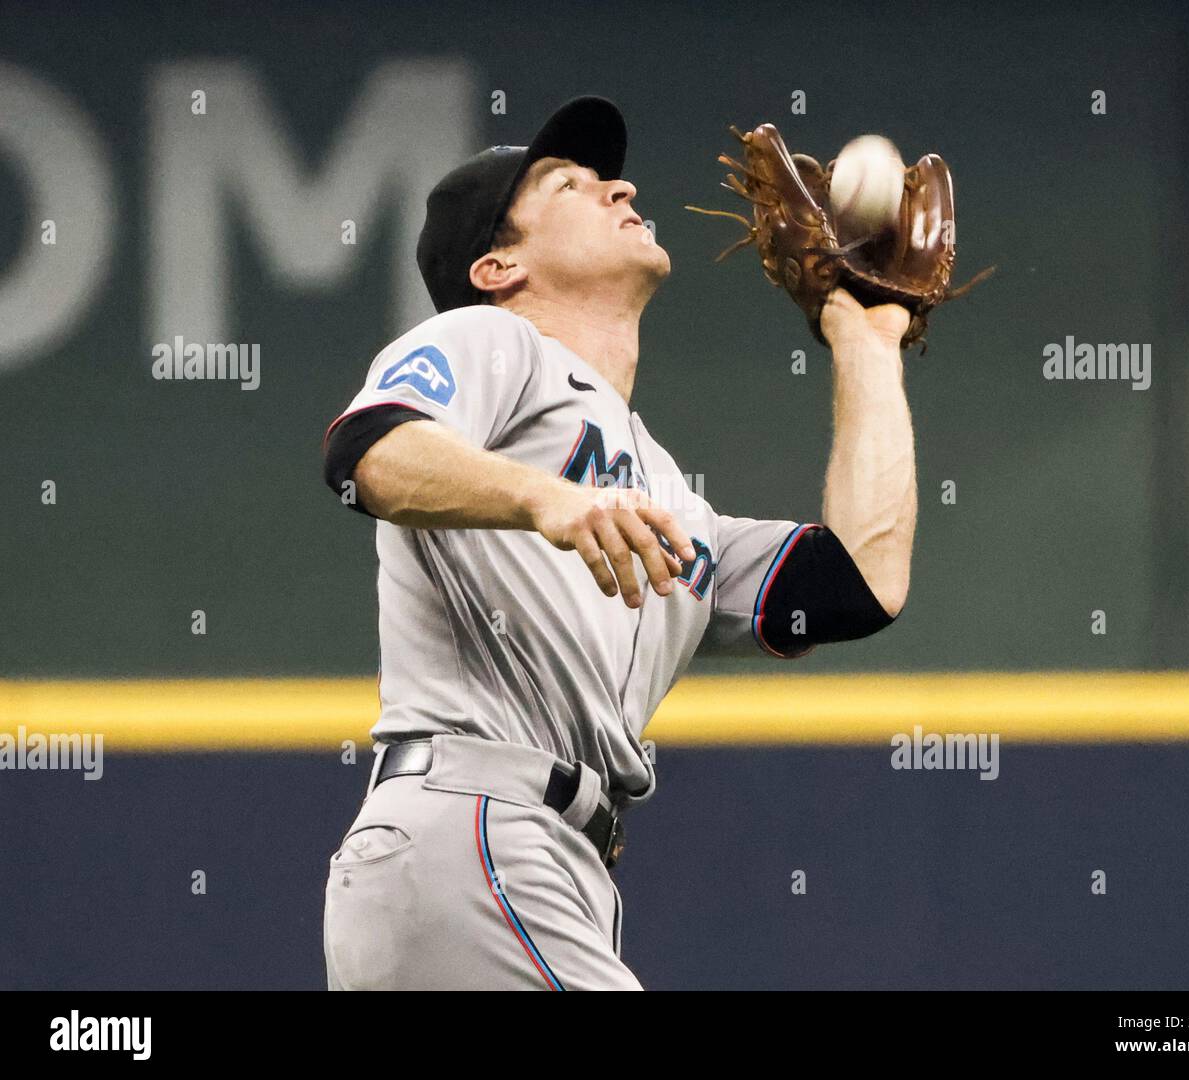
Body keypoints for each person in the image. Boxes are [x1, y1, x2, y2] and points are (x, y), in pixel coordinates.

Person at [320, 96, 916, 990]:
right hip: (473, 832)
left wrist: (864, 338)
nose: (620, 186)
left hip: (545, 867)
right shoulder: (489, 342)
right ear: (497, 264)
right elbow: (367, 453)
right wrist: (546, 501)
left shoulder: (668, 494)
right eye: (570, 184)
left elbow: (859, 583)